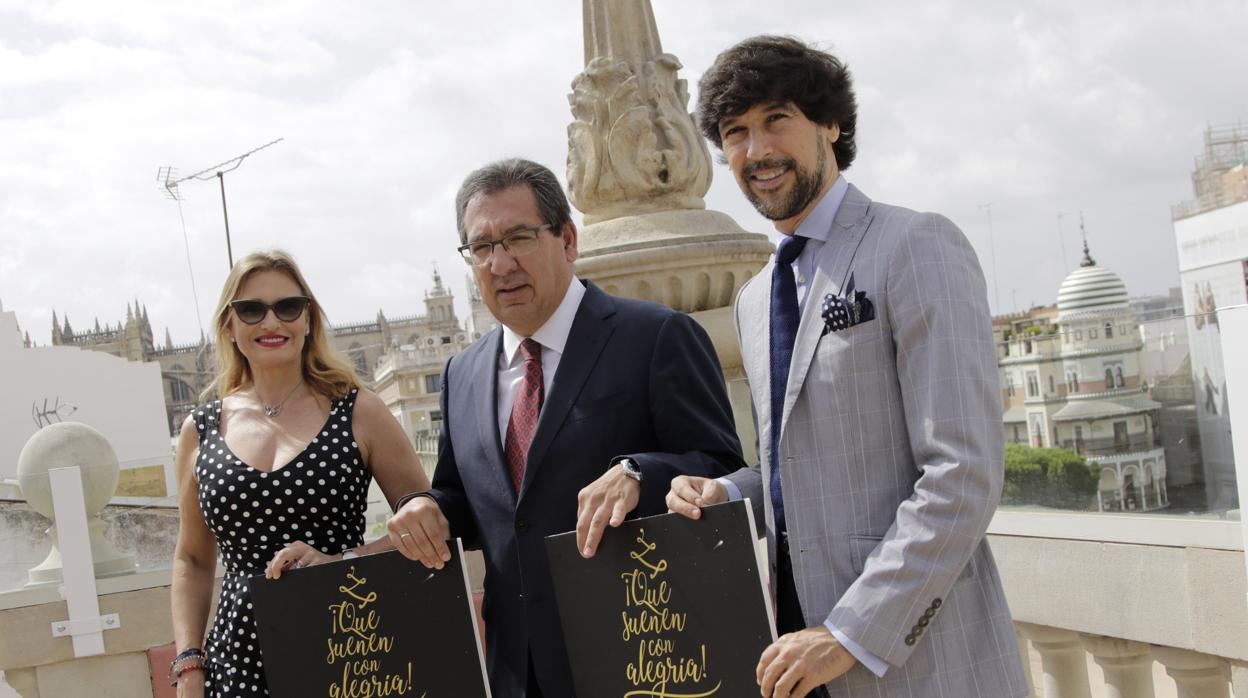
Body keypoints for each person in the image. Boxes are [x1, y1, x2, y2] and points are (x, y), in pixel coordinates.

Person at [666, 36, 1027, 698]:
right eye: (735, 133)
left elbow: (963, 473)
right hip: (797, 667)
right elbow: (799, 470)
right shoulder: (753, 300)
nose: (756, 150)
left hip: (922, 667)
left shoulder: (915, 245)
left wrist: (848, 634)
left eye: (777, 119)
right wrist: (731, 493)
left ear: (831, 123)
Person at [386, 158, 744, 697]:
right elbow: (469, 500)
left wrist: (637, 473)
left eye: (519, 237)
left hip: (644, 658)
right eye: (481, 247)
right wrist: (426, 508)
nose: (500, 263)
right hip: (518, 674)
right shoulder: (462, 373)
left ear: (568, 240)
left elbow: (722, 469)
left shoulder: (656, 337)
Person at [170, 250, 431, 697]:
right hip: (238, 663)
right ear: (229, 326)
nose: (271, 322)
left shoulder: (358, 410)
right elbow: (192, 559)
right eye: (251, 309)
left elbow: (430, 526)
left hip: (349, 647)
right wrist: (190, 664)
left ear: (308, 320)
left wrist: (341, 562)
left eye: (288, 307)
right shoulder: (201, 429)